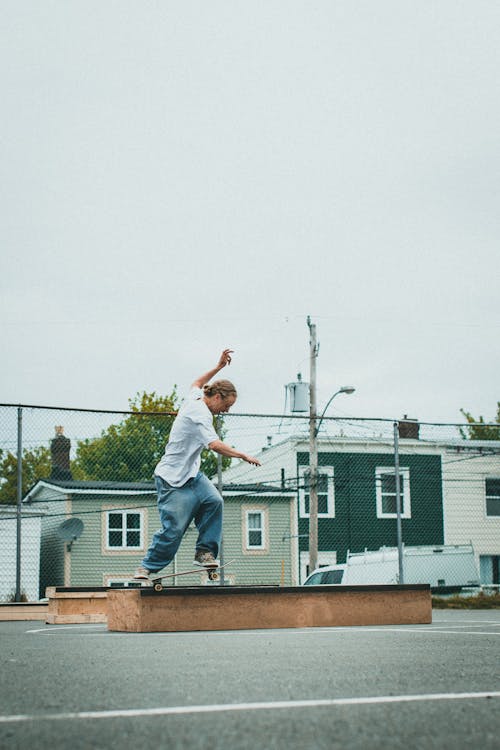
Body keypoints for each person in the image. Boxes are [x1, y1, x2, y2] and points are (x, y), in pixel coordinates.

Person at [134, 349, 261, 581]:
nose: (227, 411)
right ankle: (146, 568)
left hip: (192, 475)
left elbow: (197, 382)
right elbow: (214, 445)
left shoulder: (196, 396)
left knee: (214, 501)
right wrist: (242, 455)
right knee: (173, 531)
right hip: (171, 480)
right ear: (218, 397)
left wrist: (219, 366)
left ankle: (204, 551)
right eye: (227, 406)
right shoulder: (200, 413)